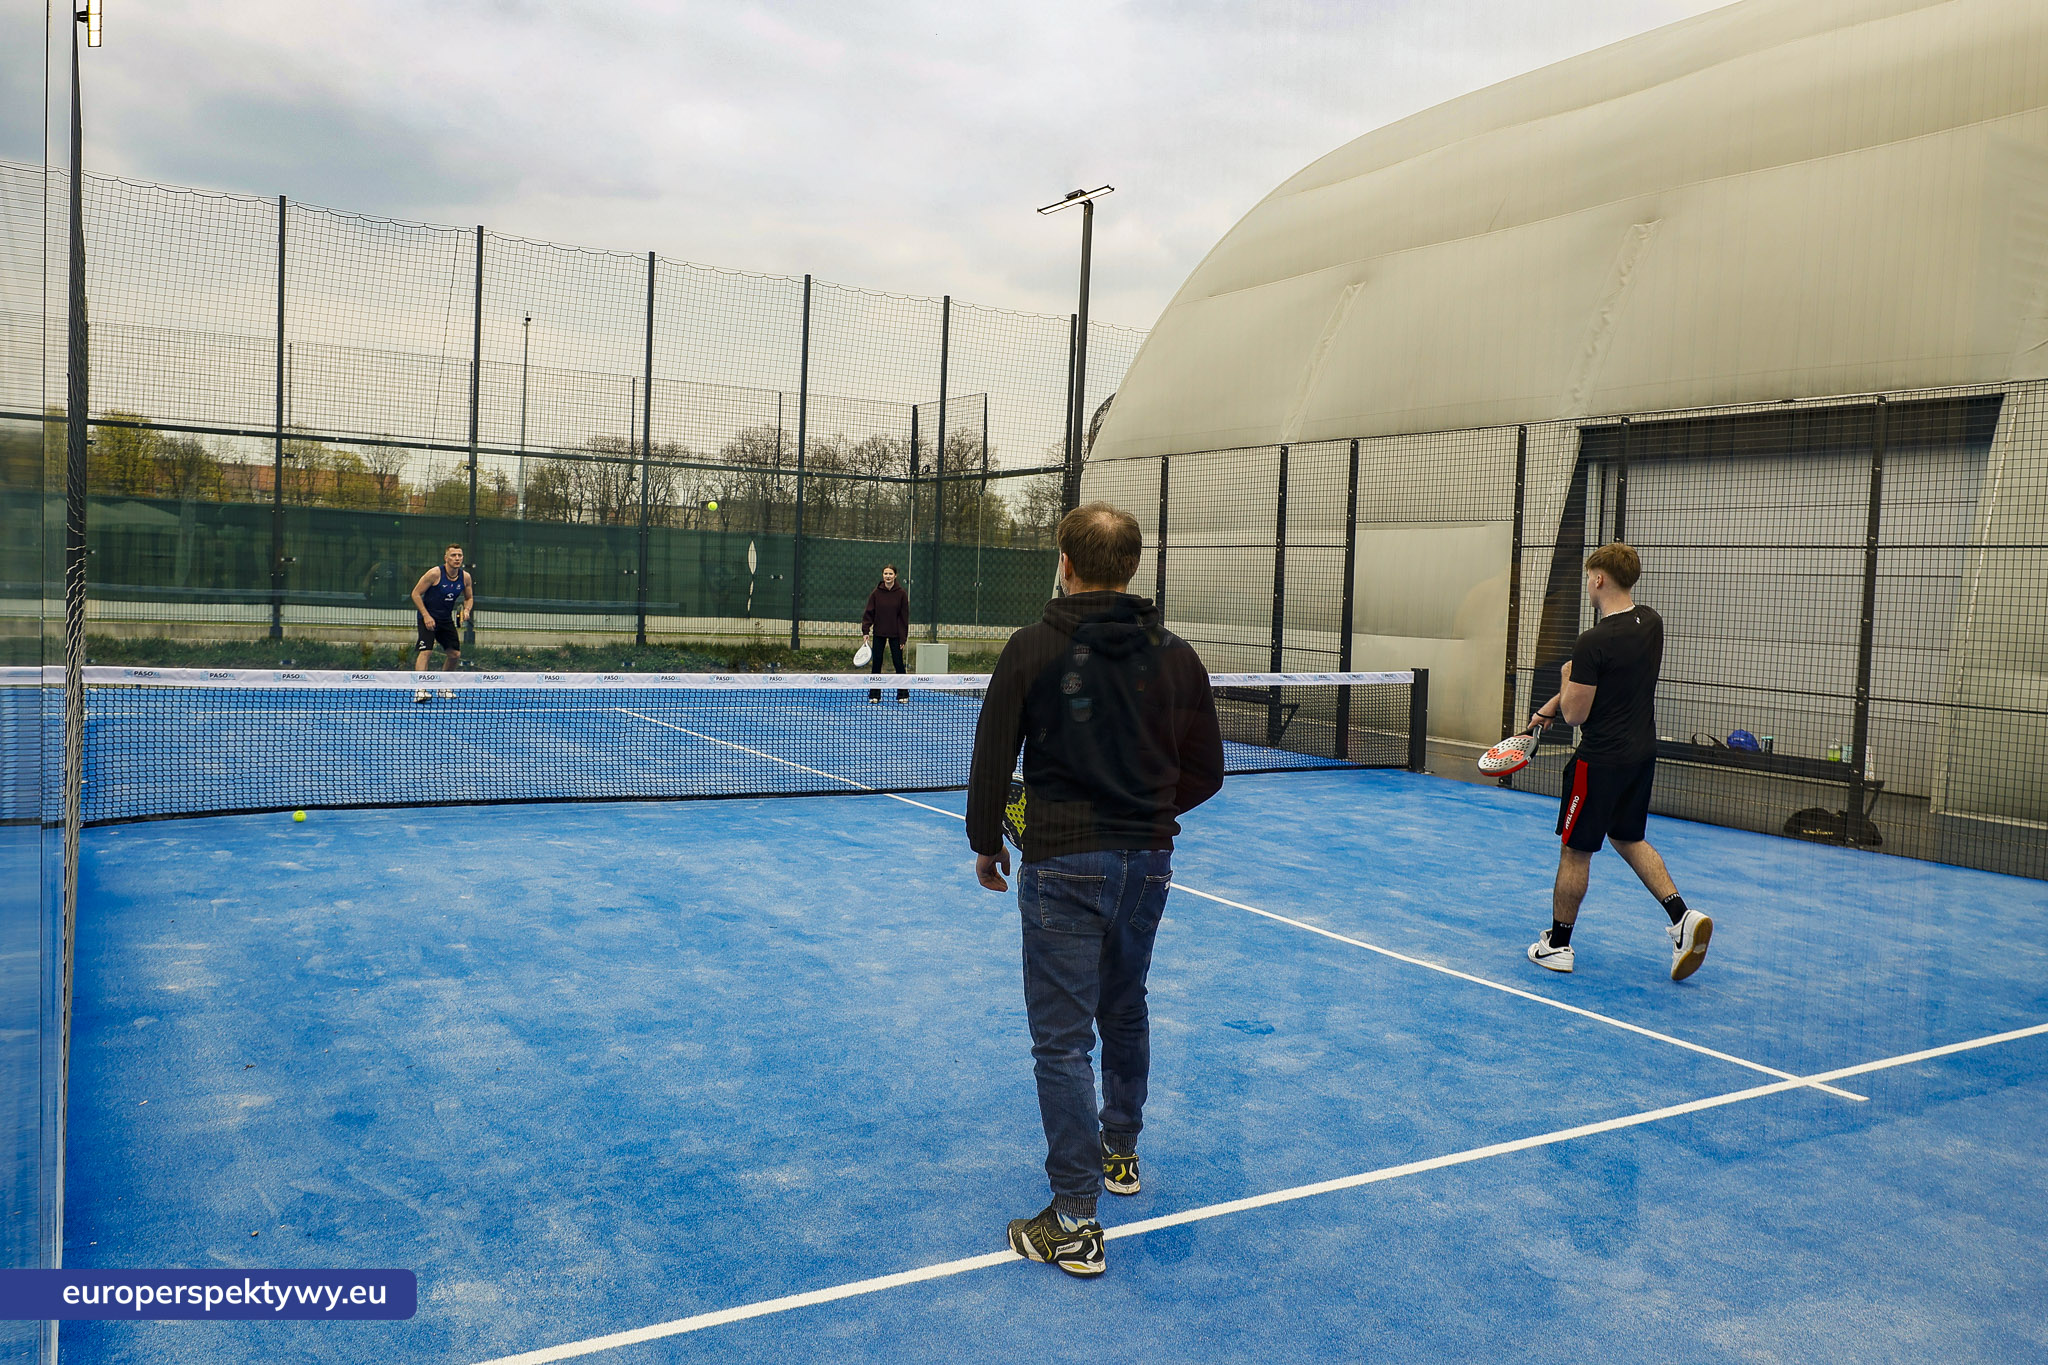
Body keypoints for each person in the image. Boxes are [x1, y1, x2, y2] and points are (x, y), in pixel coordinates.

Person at [966, 502, 1224, 1278]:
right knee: (1125, 1005)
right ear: (1133, 567)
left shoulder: (1031, 647)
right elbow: (1206, 770)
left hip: (1063, 865)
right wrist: (1142, 814)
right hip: (1146, 864)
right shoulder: (1176, 657)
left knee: (1063, 1039)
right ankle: (1121, 1156)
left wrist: (986, 843)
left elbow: (989, 760)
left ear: (1065, 563)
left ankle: (1075, 1220)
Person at [1525, 542, 1711, 981]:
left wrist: (1565, 680)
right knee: (1628, 838)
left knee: (1575, 851)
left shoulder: (1592, 642)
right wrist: (1548, 705)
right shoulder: (1649, 622)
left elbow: (1576, 713)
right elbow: (1609, 680)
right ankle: (1683, 919)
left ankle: (1557, 945)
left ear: (1598, 578)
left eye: (1589, 576)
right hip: (1640, 754)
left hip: (1598, 763)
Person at [410, 545, 473, 704]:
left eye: (459, 555)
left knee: (455, 655)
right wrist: (426, 616)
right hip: (428, 617)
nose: (457, 558)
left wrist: (466, 610)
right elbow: (415, 594)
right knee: (426, 651)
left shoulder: (465, 577)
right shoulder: (434, 574)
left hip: (445, 619)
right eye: (453, 555)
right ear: (446, 558)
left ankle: (443, 687)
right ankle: (420, 689)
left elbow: (469, 597)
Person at [860, 564, 910, 703]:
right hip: (879, 633)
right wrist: (866, 631)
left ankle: (903, 694)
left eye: (890, 574)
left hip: (895, 635)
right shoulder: (876, 593)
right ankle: (874, 695)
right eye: (885, 574)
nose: (887, 576)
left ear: (895, 576)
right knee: (877, 663)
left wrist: (902, 638)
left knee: (898, 663)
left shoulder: (901, 594)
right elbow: (869, 613)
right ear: (883, 576)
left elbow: (904, 618)